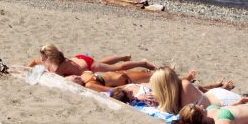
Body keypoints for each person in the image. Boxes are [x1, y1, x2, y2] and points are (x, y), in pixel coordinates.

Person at [27, 45, 155, 77]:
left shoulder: (59, 66)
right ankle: (124, 56)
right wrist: (26, 68)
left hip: (88, 65)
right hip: (81, 58)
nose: (41, 59)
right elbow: (33, 61)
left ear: (50, 58)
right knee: (101, 63)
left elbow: (55, 77)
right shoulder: (53, 58)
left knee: (117, 68)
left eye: (43, 57)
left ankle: (142, 63)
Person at [150, 67, 238, 114]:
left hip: (222, 100)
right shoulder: (174, 91)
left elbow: (185, 114)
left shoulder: (185, 86)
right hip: (211, 96)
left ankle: (223, 87)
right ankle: (221, 86)